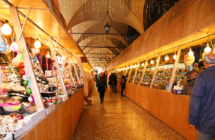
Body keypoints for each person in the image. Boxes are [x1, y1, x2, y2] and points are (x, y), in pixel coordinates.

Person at [189, 54, 215, 140]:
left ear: (204, 63)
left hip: (205, 122)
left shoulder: (202, 77)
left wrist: (192, 120)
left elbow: (196, 100)